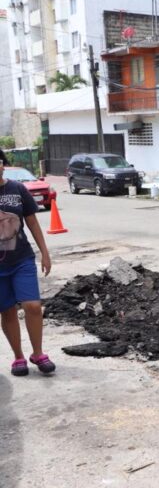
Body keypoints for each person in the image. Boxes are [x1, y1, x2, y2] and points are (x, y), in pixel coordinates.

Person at [0, 150, 54, 376]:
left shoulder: (17, 189)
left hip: (22, 258)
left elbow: (32, 223)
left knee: (32, 306)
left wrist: (45, 252)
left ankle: (38, 353)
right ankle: (18, 357)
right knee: (7, 311)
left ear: (2, 165)